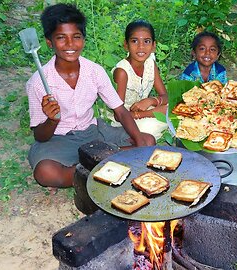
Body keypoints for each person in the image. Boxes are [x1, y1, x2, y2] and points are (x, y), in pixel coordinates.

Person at [26, 3, 155, 189]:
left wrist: (138, 138)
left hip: (93, 134)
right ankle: (110, 166)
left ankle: (90, 169)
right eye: (61, 38)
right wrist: (52, 120)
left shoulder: (94, 71)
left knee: (147, 140)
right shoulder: (38, 82)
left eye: (76, 37)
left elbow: (119, 109)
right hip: (59, 140)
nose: (70, 45)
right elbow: (40, 136)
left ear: (83, 40)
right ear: (49, 42)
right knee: (46, 173)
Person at [111, 20, 168, 140]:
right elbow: (117, 115)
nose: (141, 47)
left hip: (143, 110)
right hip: (124, 119)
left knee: (173, 108)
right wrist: (145, 114)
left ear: (153, 46)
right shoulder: (122, 72)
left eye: (146, 41)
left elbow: (165, 96)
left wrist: (151, 101)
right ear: (126, 45)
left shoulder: (150, 64)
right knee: (150, 128)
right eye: (134, 41)